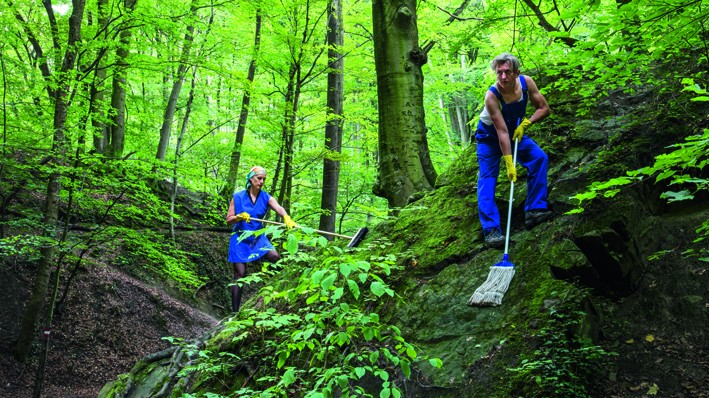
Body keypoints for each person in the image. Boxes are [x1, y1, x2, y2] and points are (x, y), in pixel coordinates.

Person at [475, 53, 552, 248]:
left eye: (507, 72)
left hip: (514, 131)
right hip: (489, 137)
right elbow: (500, 132)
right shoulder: (492, 96)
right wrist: (509, 164)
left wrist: (527, 123)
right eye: (498, 72)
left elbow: (543, 108)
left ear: (516, 72)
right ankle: (491, 230)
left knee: (539, 158)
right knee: (488, 178)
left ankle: (535, 209)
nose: (502, 77)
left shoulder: (526, 83)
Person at [225, 165, 297, 312]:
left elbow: (278, 207)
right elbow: (228, 219)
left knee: (275, 256)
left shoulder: (265, 197)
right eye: (259, 178)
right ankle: (234, 313)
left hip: (257, 237)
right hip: (239, 238)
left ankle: (282, 291)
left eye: (264, 179)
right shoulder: (237, 197)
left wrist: (286, 217)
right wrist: (238, 217)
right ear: (251, 179)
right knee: (240, 274)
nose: (262, 181)